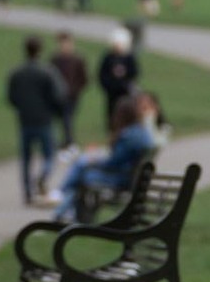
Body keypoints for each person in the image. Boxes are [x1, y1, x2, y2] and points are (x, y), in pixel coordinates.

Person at [51, 95, 156, 223]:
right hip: (130, 177)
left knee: (82, 171)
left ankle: (62, 204)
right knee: (83, 168)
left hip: (120, 179)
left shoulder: (128, 135)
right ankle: (65, 209)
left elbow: (113, 163)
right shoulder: (142, 133)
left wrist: (95, 161)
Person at [6, 35, 67, 205]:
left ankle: (27, 193)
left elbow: (11, 97)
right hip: (44, 120)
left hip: (25, 120)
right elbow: (59, 95)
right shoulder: (47, 72)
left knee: (26, 158)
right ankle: (42, 177)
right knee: (49, 155)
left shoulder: (17, 73)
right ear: (40, 50)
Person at [48, 30, 88, 154]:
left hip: (71, 96)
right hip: (57, 96)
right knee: (57, 120)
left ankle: (69, 142)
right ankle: (58, 143)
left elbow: (84, 79)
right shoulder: (55, 60)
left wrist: (75, 91)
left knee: (67, 119)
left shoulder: (78, 60)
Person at [98, 27, 139, 133]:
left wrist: (125, 85)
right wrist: (109, 86)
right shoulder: (108, 58)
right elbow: (102, 75)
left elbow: (133, 73)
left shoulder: (129, 58)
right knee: (112, 114)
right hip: (112, 94)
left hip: (125, 93)